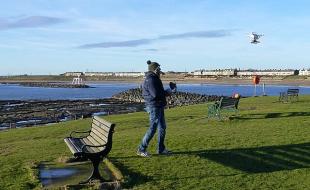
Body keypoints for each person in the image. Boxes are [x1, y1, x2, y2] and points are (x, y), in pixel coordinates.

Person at [137, 60, 175, 157]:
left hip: (158, 105)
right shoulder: (152, 79)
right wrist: (169, 91)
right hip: (154, 106)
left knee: (162, 127)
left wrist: (169, 90)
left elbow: (157, 93)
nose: (160, 71)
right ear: (155, 69)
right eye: (159, 69)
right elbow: (156, 94)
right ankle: (141, 149)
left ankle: (161, 149)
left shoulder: (153, 78)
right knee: (153, 128)